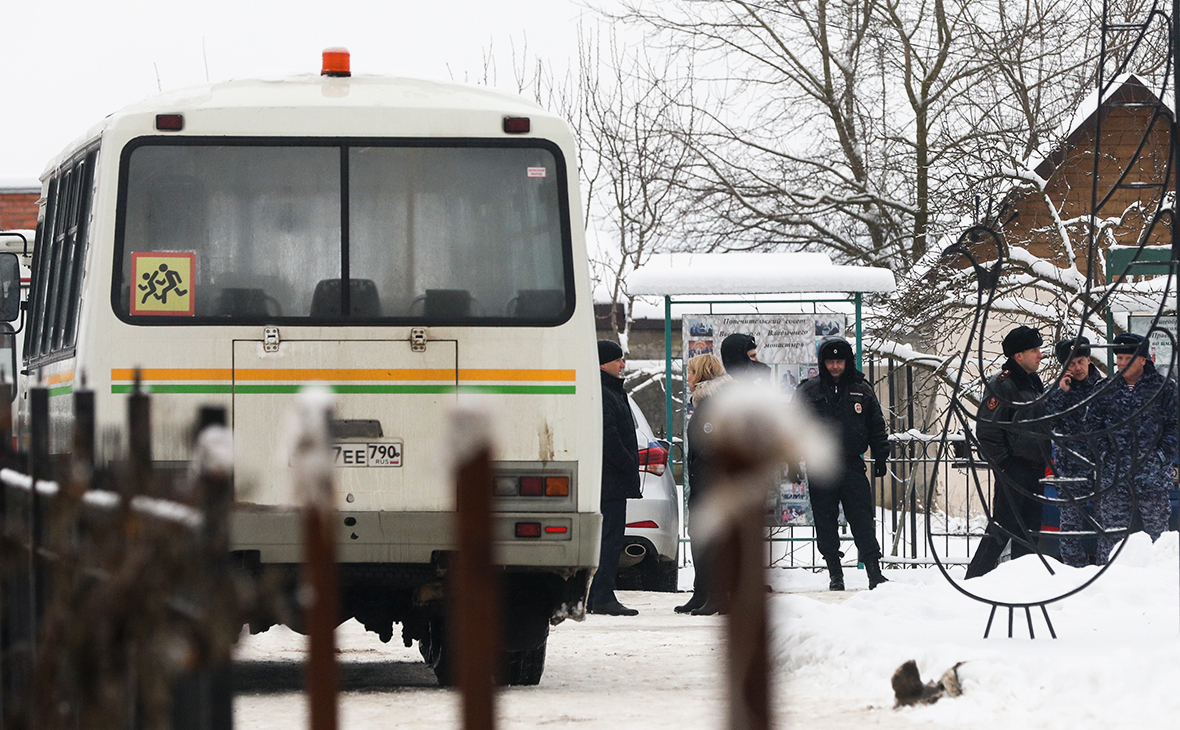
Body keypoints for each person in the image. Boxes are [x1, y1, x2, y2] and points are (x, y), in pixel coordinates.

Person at [796, 336, 891, 590]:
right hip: (821, 466)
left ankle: (874, 571)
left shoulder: (862, 389)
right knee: (825, 521)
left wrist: (881, 455)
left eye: (839, 361)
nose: (835, 366)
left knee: (862, 518)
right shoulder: (809, 391)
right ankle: (835, 574)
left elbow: (876, 426)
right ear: (822, 362)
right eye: (830, 361)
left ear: (847, 362)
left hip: (851, 464)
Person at [966, 325, 1050, 579]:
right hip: (1014, 468)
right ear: (1018, 355)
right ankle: (975, 578)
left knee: (1030, 531)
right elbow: (988, 430)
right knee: (1003, 528)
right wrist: (1004, 465)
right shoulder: (1002, 384)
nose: (1040, 355)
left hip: (1035, 467)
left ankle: (1020, 581)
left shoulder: (1033, 382)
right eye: (1034, 350)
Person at [1092, 332, 1178, 564]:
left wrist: (1160, 456)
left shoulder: (1164, 389)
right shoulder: (1105, 389)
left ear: (1142, 360)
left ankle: (1156, 591)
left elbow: (1174, 427)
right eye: (1118, 358)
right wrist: (1104, 455)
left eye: (1126, 358)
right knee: (1112, 542)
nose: (1120, 363)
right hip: (1115, 480)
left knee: (1157, 541)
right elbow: (1093, 426)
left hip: (1152, 479)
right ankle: (1108, 589)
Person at [589, 339, 643, 616]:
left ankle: (598, 594)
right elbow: (608, 436)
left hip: (609, 480)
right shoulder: (603, 393)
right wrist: (627, 463)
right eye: (618, 360)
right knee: (609, 539)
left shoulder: (609, 390)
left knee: (607, 538)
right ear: (603, 363)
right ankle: (602, 596)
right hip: (609, 481)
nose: (623, 365)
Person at [676, 353, 733, 615]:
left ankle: (717, 595)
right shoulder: (707, 402)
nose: (686, 378)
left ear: (700, 374)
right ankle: (702, 592)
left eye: (689, 372)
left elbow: (712, 449)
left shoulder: (712, 404)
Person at [1044, 336, 1102, 568]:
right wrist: (1060, 392)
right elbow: (1044, 420)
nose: (1077, 368)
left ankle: (1104, 573)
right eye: (1070, 364)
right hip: (1069, 471)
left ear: (1088, 359)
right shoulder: (1057, 391)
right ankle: (1074, 575)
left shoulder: (1105, 388)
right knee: (1069, 531)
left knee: (1106, 527)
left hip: (1100, 469)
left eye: (1080, 361)